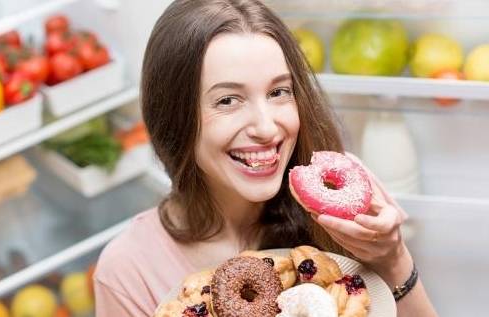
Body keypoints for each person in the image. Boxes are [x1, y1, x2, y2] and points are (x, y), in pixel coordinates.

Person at [93, 0, 437, 316]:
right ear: (174, 118)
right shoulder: (129, 269)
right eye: (228, 100)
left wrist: (394, 260)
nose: (267, 127)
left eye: (278, 92)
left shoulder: (340, 212)